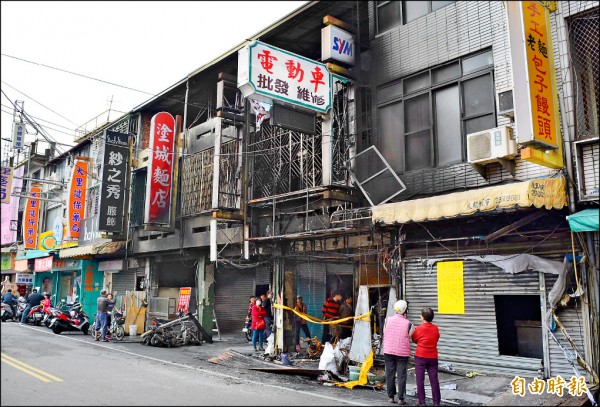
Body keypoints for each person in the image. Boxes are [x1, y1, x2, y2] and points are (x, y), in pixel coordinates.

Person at [383, 300, 414, 405]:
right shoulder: (409, 324)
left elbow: (385, 332)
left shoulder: (387, 320)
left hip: (388, 351)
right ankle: (401, 399)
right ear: (405, 310)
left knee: (390, 374)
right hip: (402, 353)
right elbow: (410, 335)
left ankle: (391, 397)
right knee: (401, 375)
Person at [412, 307, 441, 407]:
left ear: (423, 317)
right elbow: (436, 338)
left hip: (420, 356)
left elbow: (414, 339)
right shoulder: (436, 328)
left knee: (420, 380)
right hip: (433, 356)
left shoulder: (419, 328)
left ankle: (422, 401)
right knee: (434, 380)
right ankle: (436, 402)